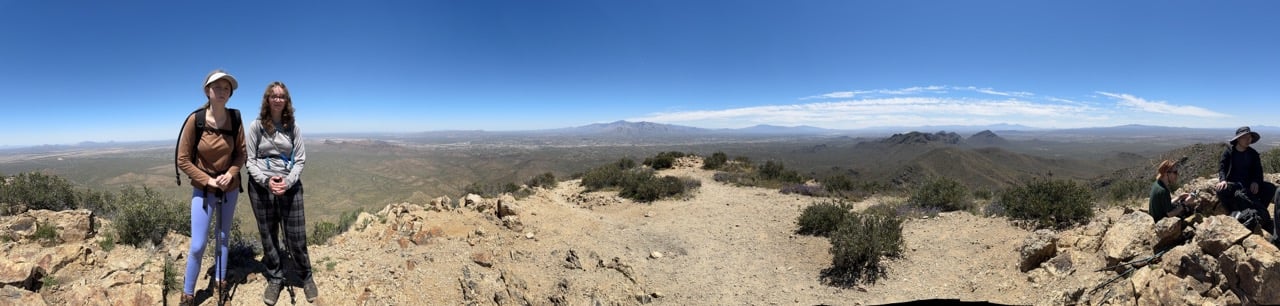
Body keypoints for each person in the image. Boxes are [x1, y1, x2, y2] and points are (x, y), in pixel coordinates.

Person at [176, 69, 246, 305]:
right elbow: (183, 159)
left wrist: (230, 173)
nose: (222, 91)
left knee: (223, 237)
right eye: (217, 87)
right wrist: (208, 180)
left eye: (227, 88)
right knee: (197, 245)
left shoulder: (235, 118)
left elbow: (241, 154)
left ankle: (220, 282)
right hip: (204, 189)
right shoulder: (194, 120)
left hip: (230, 188)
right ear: (207, 90)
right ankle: (188, 294)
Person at [246, 81, 317, 304]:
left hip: (289, 185)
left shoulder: (292, 127)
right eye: (273, 95)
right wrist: (267, 181)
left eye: (282, 96)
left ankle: (306, 276)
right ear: (267, 99)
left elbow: (301, 159)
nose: (278, 99)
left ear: (286, 101)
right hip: (261, 187)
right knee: (268, 234)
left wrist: (287, 182)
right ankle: (275, 277)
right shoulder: (256, 126)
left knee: (296, 235)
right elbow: (250, 160)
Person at [1215, 126, 1277, 237]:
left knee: (1270, 188)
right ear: (1238, 139)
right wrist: (1223, 180)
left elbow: (1258, 172)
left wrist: (1256, 182)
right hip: (1234, 185)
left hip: (1248, 185)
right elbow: (1222, 168)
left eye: (1249, 137)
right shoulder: (1229, 152)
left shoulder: (1253, 154)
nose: (1248, 140)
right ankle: (1233, 212)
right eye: (1245, 137)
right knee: (1221, 190)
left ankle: (1258, 212)